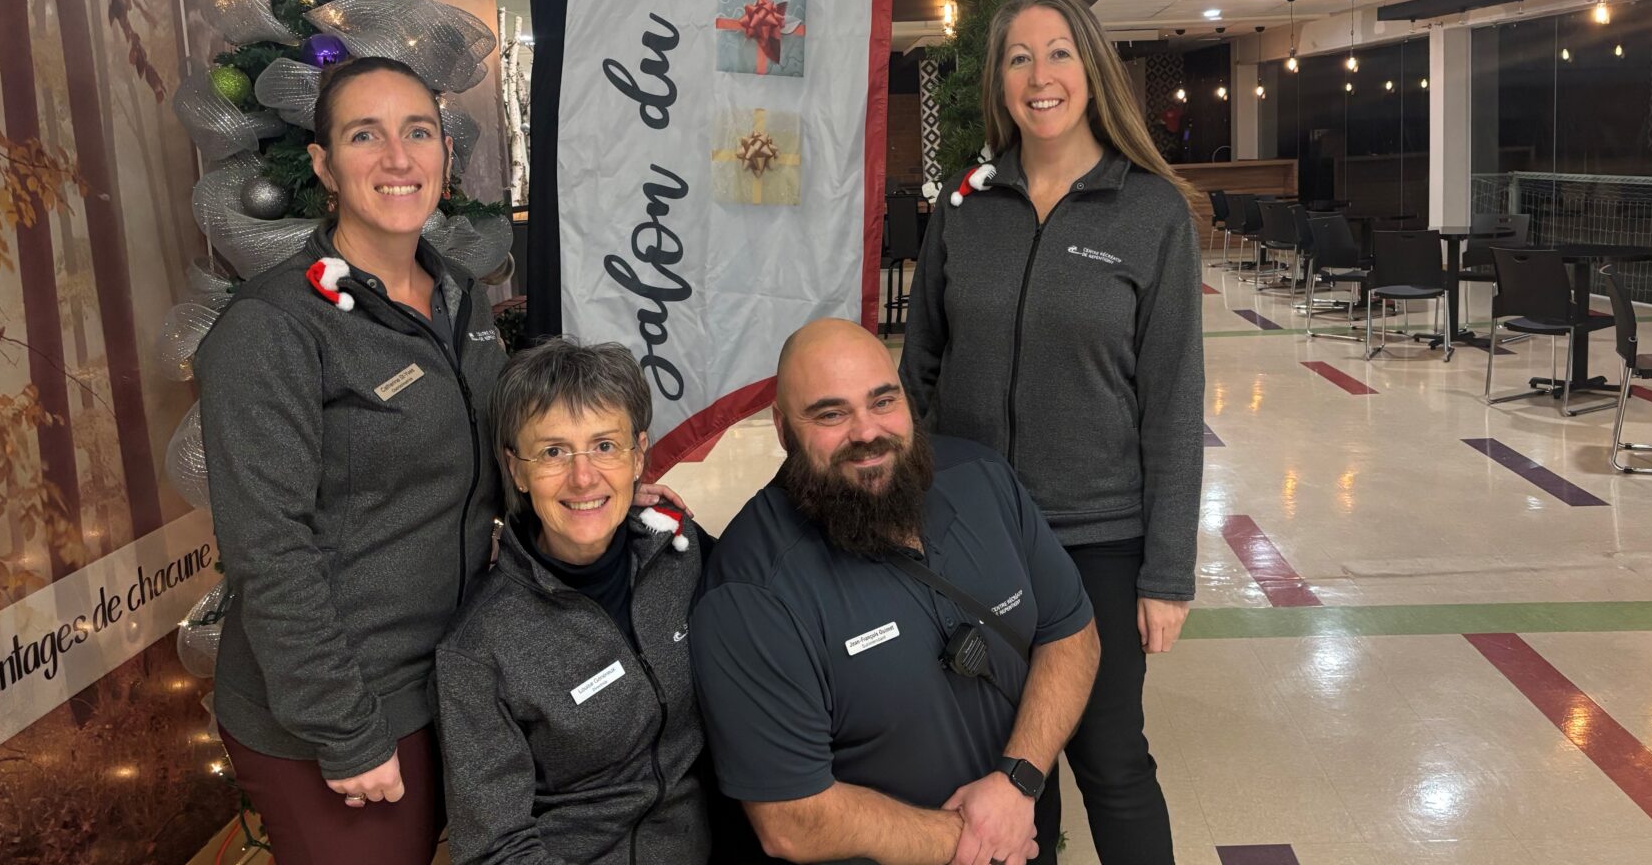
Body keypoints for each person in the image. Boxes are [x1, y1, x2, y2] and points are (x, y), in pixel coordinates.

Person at [899, 0, 1206, 865]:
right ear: (999, 81)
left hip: (1100, 538)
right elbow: (919, 364)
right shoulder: (967, 204)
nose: (1041, 76)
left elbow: (1174, 400)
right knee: (1008, 764)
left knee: (1110, 758)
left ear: (1093, 69)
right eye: (1019, 57)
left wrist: (1168, 571)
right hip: (974, 535)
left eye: (1059, 52)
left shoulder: (1149, 213)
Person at [196, 56, 507, 862]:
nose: (398, 159)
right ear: (324, 166)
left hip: (450, 674)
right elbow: (268, 552)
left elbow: (497, 462)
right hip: (335, 706)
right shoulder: (275, 327)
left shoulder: (462, 296)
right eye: (365, 135)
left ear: (444, 152)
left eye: (418, 133)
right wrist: (345, 728)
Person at [690, 319, 1101, 865]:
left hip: (1023, 829)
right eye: (831, 413)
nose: (866, 432)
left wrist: (1017, 782)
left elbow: (1071, 634)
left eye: (883, 401)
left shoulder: (984, 481)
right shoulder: (750, 590)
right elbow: (791, 820)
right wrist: (977, 839)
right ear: (783, 428)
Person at [434, 337, 717, 864]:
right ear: (515, 469)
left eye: (605, 446)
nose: (583, 477)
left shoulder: (684, 556)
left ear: (638, 455)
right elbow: (495, 850)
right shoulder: (479, 650)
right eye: (553, 452)